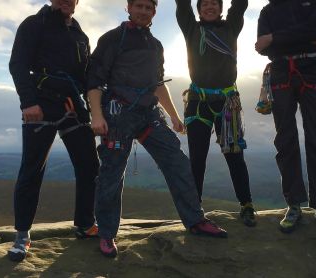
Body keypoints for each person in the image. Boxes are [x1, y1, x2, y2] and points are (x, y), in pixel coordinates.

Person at [88, 0, 228, 258]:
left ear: (154, 12)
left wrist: (174, 116)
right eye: (138, 6)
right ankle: (107, 233)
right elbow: (94, 81)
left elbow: (157, 84)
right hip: (118, 116)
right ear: (128, 7)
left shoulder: (155, 45)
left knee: (177, 162)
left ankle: (195, 220)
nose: (143, 11)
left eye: (148, 7)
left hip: (148, 114)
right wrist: (96, 116)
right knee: (112, 173)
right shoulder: (113, 39)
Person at [8, 0, 99, 261]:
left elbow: (86, 76)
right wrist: (28, 102)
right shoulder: (34, 24)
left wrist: (94, 107)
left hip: (73, 105)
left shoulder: (80, 34)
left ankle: (84, 223)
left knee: (89, 165)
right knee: (32, 168)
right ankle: (22, 235)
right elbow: (18, 64)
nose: (66, 0)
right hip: (41, 103)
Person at [255, 0, 316, 239]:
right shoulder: (268, 10)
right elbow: (261, 46)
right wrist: (301, 38)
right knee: (285, 140)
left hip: (311, 70)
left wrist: (275, 38)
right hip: (282, 72)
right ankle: (294, 205)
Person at [175, 0, 256, 227]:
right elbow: (182, 5)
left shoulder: (230, 27)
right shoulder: (191, 28)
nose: (209, 7)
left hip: (226, 102)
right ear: (198, 10)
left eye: (214, 4)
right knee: (197, 158)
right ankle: (194, 209)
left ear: (221, 9)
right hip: (198, 102)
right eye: (204, 4)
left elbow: (239, 5)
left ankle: (246, 204)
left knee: (234, 154)